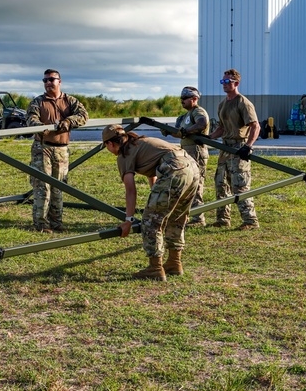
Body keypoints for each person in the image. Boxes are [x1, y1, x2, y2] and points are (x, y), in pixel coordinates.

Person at [102, 125, 199, 280]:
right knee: (176, 217)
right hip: (191, 167)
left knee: (150, 221)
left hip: (174, 169)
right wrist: (158, 195)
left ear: (110, 144)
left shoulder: (124, 154)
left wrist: (128, 220)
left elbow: (131, 190)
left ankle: (155, 268)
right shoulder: (140, 142)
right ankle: (174, 262)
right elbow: (153, 172)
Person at [25, 69, 88, 232]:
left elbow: (83, 114)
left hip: (61, 149)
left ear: (59, 81)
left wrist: (69, 121)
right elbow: (31, 120)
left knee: (58, 187)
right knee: (42, 187)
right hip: (42, 148)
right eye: (44, 80)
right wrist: (42, 128)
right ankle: (40, 223)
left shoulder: (70, 100)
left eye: (51, 80)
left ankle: (57, 222)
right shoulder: (37, 102)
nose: (47, 83)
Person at [208, 69, 260, 230]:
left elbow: (255, 126)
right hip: (225, 148)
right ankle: (223, 219)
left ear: (236, 83)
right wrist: (208, 138)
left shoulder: (243, 103)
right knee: (221, 183)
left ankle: (250, 221)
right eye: (222, 82)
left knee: (240, 184)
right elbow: (221, 128)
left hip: (239, 147)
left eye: (228, 82)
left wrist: (248, 146)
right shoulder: (222, 104)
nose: (224, 85)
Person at [173, 86, 210, 226]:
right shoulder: (185, 116)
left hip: (196, 151)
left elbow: (202, 124)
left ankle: (198, 218)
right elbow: (179, 131)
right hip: (187, 151)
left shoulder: (198, 111)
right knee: (187, 183)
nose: (182, 101)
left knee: (196, 183)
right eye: (181, 98)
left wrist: (186, 131)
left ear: (194, 99)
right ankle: (188, 215)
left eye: (185, 98)